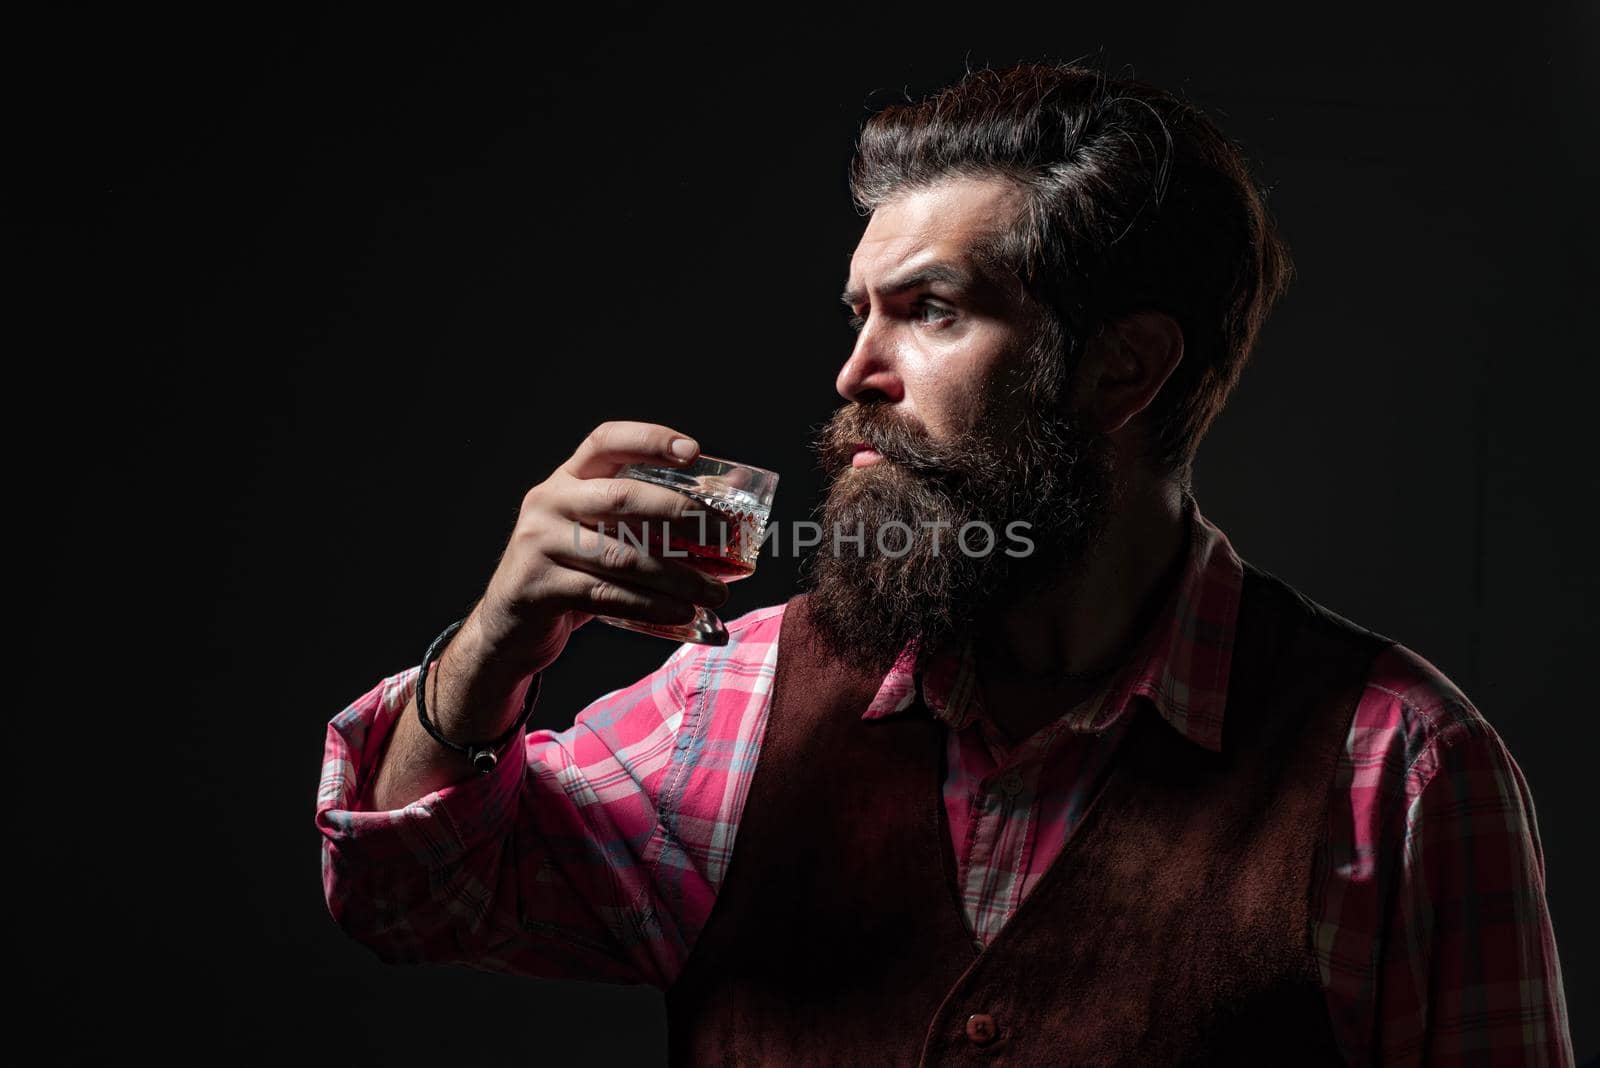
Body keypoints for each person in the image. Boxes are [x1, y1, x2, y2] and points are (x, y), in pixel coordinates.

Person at [315, 61, 1573, 1065]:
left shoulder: (1397, 771)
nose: (855, 374)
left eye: (929, 310)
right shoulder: (739, 703)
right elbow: (411, 901)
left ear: (1124, 368)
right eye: (858, 313)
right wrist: (493, 648)